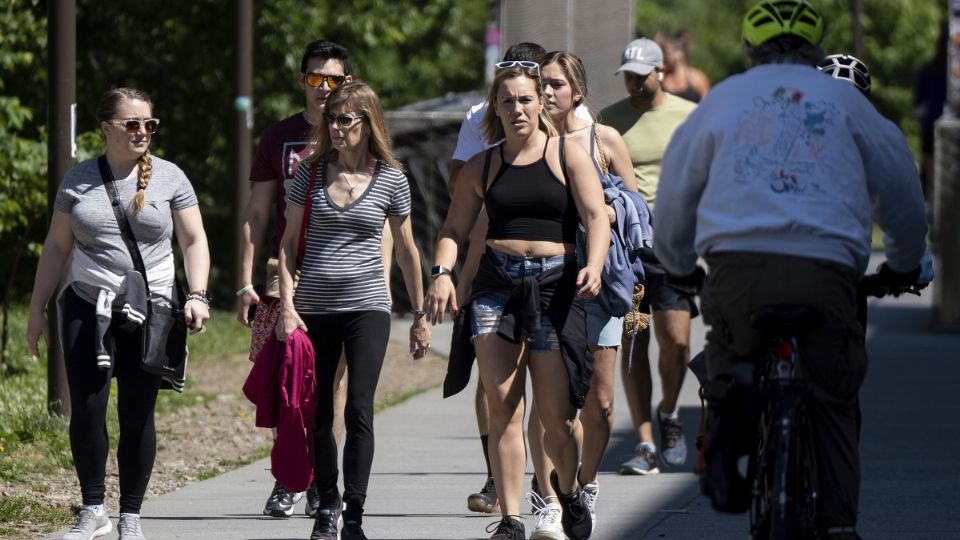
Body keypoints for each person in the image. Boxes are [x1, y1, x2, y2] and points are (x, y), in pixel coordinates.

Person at [652, 1, 928, 538]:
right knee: (833, 399)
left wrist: (679, 264)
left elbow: (676, 191)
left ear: (750, 49)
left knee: (732, 365)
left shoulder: (724, 98)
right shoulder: (845, 100)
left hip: (738, 267)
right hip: (827, 271)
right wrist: (900, 264)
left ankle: (728, 450)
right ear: (817, 48)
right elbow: (900, 187)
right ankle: (839, 527)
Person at [426, 61, 608, 540]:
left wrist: (594, 262)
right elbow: (453, 228)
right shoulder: (483, 164)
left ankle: (565, 493)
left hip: (554, 287)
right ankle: (509, 519)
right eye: (506, 101)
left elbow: (596, 214)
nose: (517, 108)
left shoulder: (567, 153)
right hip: (496, 288)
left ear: (541, 102)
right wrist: (442, 273)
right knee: (504, 405)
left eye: (525, 98)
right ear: (495, 108)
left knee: (557, 417)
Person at [26, 87, 211, 540]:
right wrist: (37, 309)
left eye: (150, 124)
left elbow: (193, 240)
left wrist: (198, 294)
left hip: (151, 305)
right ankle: (94, 509)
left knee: (137, 412)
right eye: (132, 124)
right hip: (88, 302)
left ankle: (130, 515)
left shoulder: (170, 178)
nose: (143, 131)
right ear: (106, 128)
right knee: (88, 408)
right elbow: (56, 245)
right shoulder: (78, 179)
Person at [276, 81, 431, 540]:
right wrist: (286, 305)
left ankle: (356, 512)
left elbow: (407, 250)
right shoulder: (310, 172)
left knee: (360, 407)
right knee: (320, 412)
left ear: (368, 123)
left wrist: (419, 315)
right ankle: (327, 502)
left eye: (347, 119)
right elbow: (287, 243)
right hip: (314, 308)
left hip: (367, 306)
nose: (337, 127)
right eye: (333, 119)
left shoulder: (391, 178)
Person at [237, 40, 366, 518]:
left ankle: (319, 479)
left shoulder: (356, 135)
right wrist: (246, 280)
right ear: (303, 81)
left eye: (333, 79)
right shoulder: (280, 136)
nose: (324, 88)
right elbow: (256, 210)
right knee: (284, 378)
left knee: (327, 383)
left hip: (340, 272)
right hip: (281, 272)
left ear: (346, 83)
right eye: (316, 78)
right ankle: (289, 479)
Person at [539, 49, 638, 534]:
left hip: (598, 282)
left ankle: (585, 485)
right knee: (554, 402)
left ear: (576, 90)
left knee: (598, 401)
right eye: (542, 84)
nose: (547, 92)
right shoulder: (526, 142)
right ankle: (553, 498)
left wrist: (605, 215)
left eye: (556, 84)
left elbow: (637, 205)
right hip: (545, 281)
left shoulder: (604, 139)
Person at [598, 37, 698, 476]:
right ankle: (643, 443)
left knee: (676, 341)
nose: (635, 84)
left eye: (642, 75)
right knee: (634, 341)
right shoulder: (610, 120)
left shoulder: (689, 116)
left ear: (661, 73)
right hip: (630, 246)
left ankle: (670, 413)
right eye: (629, 77)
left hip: (675, 242)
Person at [655, 30, 711, 102]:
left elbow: (708, 105)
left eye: (667, 52)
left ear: (679, 54)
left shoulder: (697, 78)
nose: (664, 56)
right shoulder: (663, 79)